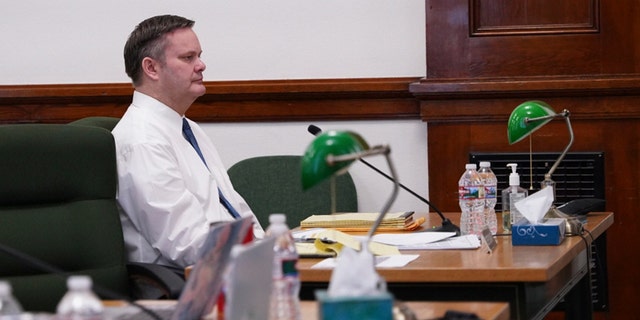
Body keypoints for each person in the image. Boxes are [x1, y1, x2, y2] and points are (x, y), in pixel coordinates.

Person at [112, 14, 264, 269]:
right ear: (151, 68)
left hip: (229, 268)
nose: (202, 65)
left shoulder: (187, 127)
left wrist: (267, 247)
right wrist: (260, 259)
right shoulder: (141, 140)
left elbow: (233, 208)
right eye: (188, 57)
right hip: (184, 288)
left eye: (199, 55)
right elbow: (187, 245)